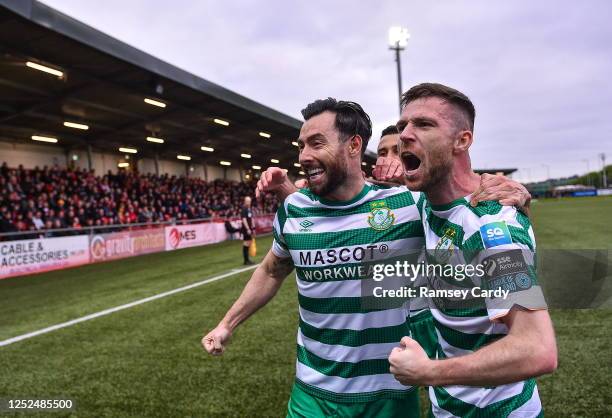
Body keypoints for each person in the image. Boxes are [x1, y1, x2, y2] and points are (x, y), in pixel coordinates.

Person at [205, 97, 531, 417]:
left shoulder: (408, 205)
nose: (304, 155)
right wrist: (226, 325)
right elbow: (271, 271)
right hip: (313, 391)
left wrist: (513, 193)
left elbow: (467, 208)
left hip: (387, 393)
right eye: (301, 146)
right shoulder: (293, 209)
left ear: (353, 145)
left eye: (317, 143)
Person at [387, 83, 557, 417]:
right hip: (451, 407)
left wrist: (426, 372)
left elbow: (537, 349)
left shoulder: (491, 229)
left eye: (423, 124)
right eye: (402, 125)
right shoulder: (425, 204)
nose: (404, 134)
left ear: (461, 141)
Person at [241, 196, 255, 265]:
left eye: (250, 201)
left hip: (249, 228)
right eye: (248, 201)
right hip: (246, 229)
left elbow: (251, 218)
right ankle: (246, 260)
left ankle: (247, 260)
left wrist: (253, 227)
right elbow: (244, 220)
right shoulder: (244, 209)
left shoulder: (249, 209)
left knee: (248, 242)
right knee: (246, 243)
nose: (249, 202)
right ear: (245, 201)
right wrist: (248, 229)